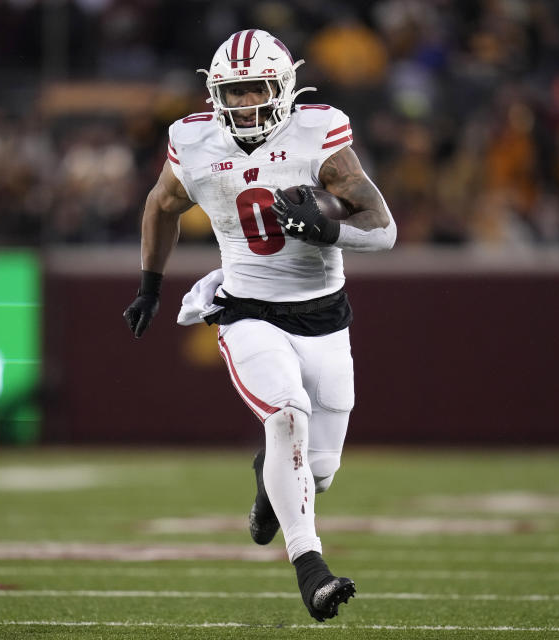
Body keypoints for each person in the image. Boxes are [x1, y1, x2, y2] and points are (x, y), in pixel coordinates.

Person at [123, 29, 396, 622]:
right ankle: (311, 570)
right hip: (247, 308)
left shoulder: (318, 134)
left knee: (319, 473)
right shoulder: (192, 140)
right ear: (217, 93)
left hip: (324, 315)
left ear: (285, 87)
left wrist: (329, 229)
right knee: (286, 415)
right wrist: (150, 284)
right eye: (236, 92)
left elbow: (384, 229)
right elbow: (161, 205)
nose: (246, 104)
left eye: (256, 90)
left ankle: (266, 487)